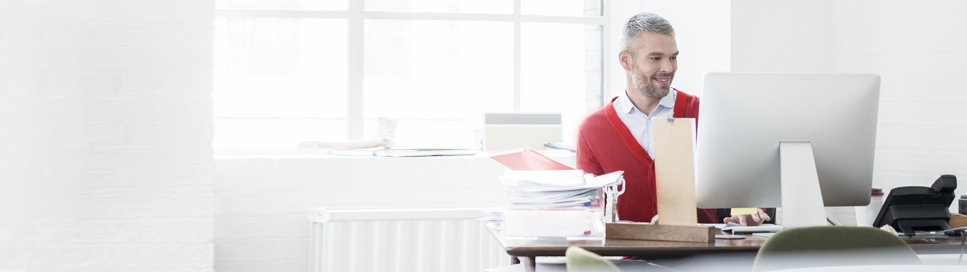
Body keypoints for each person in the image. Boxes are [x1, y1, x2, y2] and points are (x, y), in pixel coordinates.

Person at [576, 12, 769, 226]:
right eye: (656, 58)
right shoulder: (593, 129)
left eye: (673, 57)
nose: (668, 68)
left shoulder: (704, 113)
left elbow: (743, 176)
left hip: (701, 253)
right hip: (627, 255)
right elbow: (587, 210)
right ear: (626, 60)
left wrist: (749, 210)